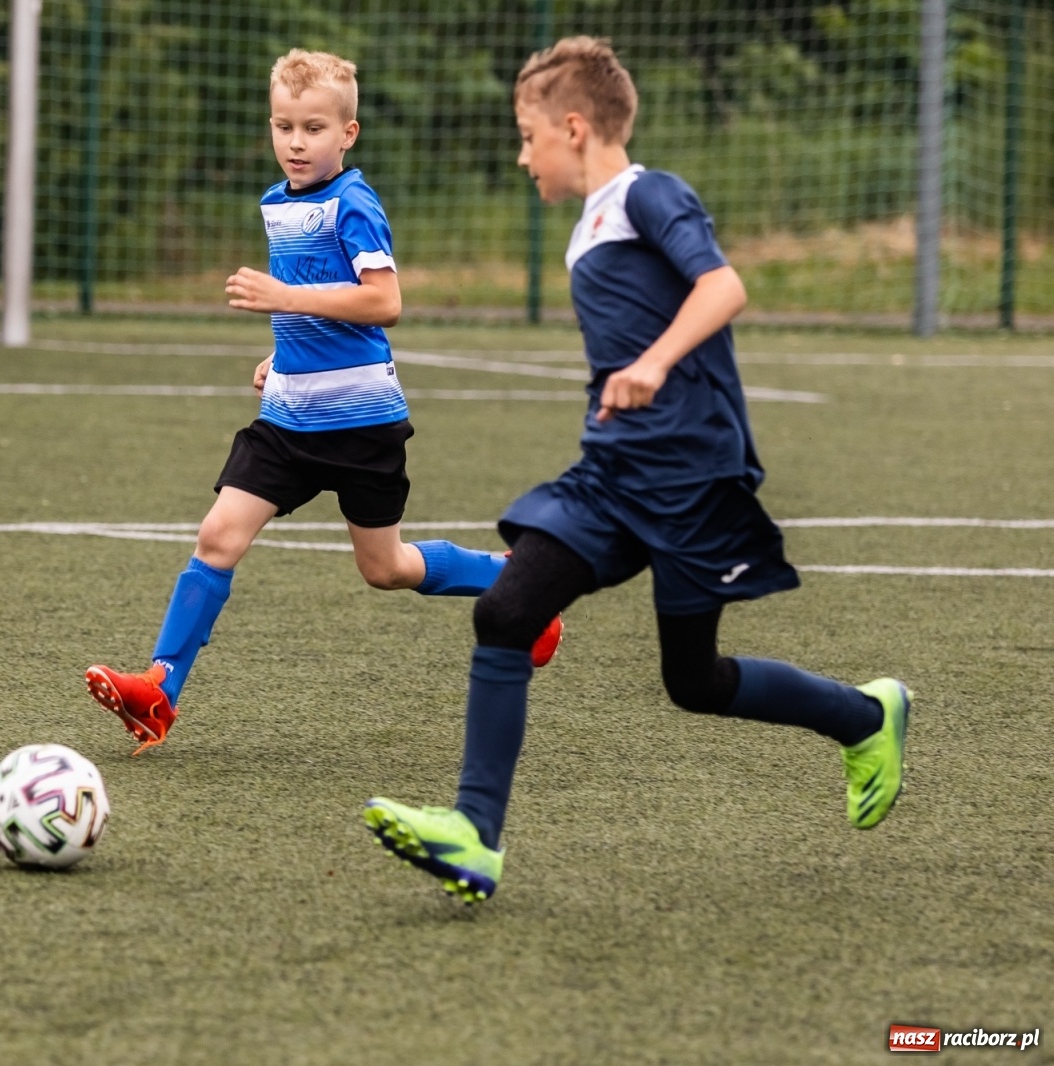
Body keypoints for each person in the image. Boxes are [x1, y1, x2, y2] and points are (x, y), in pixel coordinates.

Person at [361, 37, 911, 905]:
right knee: (507, 612)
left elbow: (722, 289)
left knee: (692, 682)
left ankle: (867, 717)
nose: (522, 154)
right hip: (614, 476)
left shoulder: (648, 195)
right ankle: (474, 837)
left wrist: (654, 364)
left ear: (573, 128)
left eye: (528, 134)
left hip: (689, 478)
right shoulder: (590, 225)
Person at [85, 49, 562, 755]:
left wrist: (284, 300)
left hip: (362, 424)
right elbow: (317, 302)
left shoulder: (355, 204)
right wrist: (285, 350)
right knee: (218, 537)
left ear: (348, 133)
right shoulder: (277, 202)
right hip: (286, 420)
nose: (296, 142)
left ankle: (522, 585)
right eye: (284, 126)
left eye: (313, 127)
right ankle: (160, 690)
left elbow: (383, 302)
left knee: (386, 569)